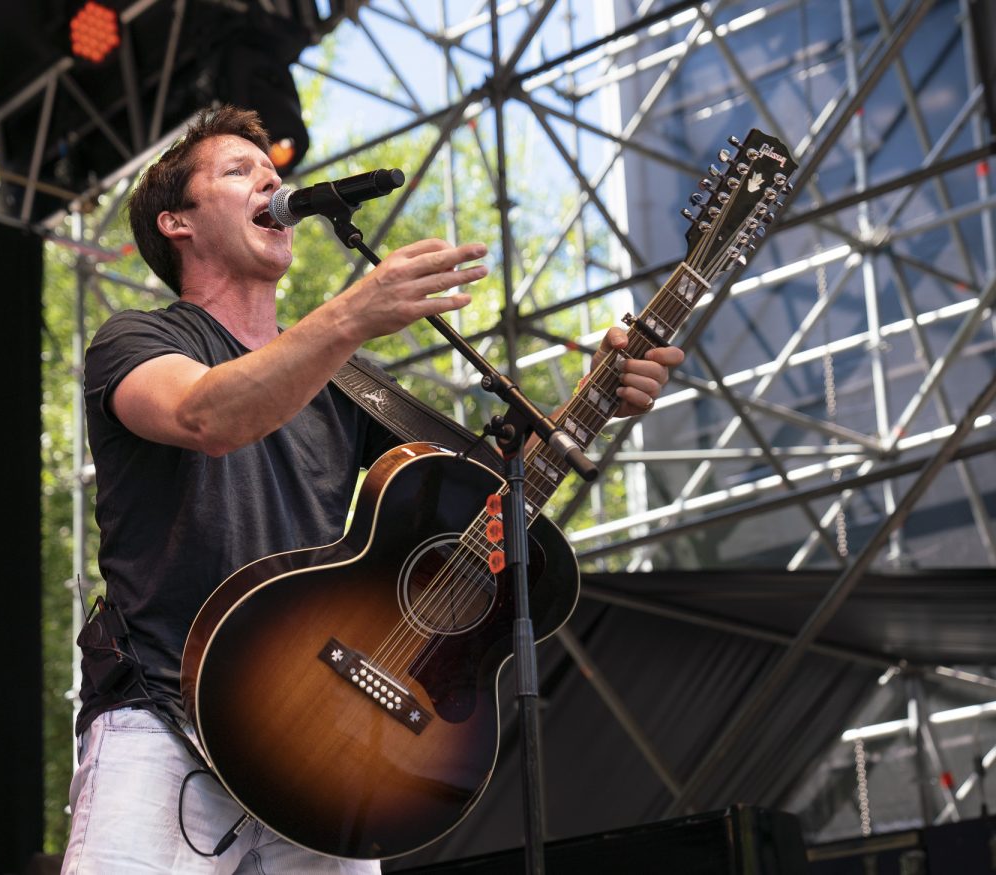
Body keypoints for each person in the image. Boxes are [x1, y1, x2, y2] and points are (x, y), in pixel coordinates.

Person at [62, 104, 684, 874]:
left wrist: (594, 399)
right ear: (176, 223)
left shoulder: (348, 382)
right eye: (238, 171)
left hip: (326, 749)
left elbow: (486, 503)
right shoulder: (136, 338)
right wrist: (353, 313)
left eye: (274, 172)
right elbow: (206, 415)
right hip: (162, 724)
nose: (270, 182)